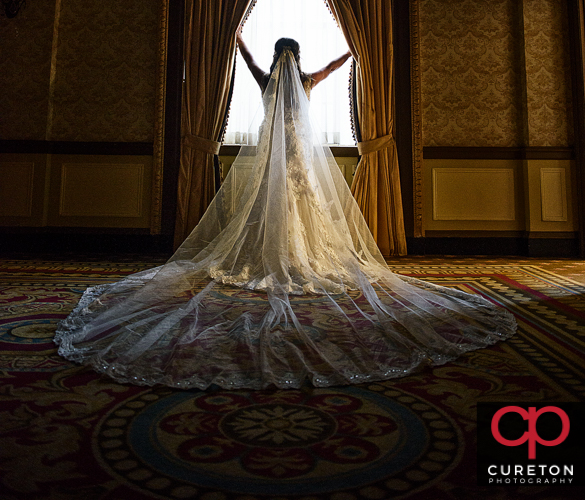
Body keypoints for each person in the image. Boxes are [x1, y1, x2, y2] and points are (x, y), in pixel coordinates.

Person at [55, 34, 516, 390]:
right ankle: (291, 255)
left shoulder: (269, 79)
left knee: (275, 207)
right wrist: (348, 54)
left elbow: (254, 63)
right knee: (297, 206)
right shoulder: (304, 82)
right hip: (294, 159)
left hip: (278, 158)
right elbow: (327, 69)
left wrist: (241, 43)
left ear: (280, 57)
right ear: (294, 57)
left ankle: (274, 254)